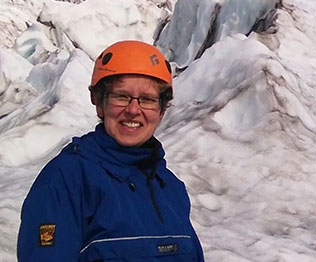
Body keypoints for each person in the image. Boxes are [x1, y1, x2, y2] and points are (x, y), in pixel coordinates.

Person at [17, 40, 204, 261]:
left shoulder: (170, 188)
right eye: (121, 96)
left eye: (147, 100)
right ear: (99, 102)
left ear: (161, 110)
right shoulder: (67, 179)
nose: (133, 110)